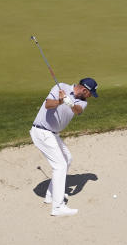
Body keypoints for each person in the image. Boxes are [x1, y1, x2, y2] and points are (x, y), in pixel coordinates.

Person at [31, 77, 99, 217]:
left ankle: (50, 195)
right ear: (84, 90)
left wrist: (69, 102)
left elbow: (77, 110)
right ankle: (58, 207)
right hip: (42, 131)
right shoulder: (61, 86)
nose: (90, 97)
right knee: (60, 165)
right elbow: (48, 105)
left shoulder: (82, 102)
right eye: (90, 94)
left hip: (53, 134)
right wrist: (61, 100)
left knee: (67, 159)